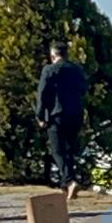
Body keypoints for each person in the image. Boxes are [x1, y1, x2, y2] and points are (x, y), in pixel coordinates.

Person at [37, 41, 87, 199]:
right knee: (69, 151)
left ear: (53, 55)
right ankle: (66, 185)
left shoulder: (50, 70)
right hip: (75, 114)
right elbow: (83, 89)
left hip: (56, 114)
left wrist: (40, 115)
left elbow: (42, 93)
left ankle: (70, 181)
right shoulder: (77, 70)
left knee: (57, 151)